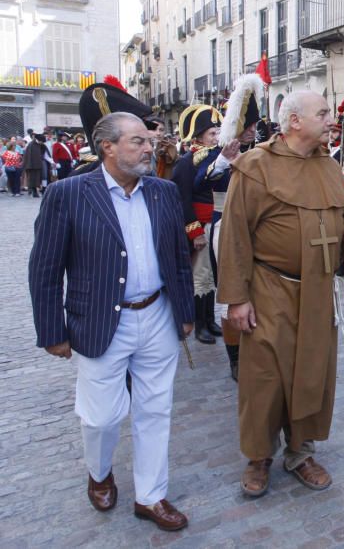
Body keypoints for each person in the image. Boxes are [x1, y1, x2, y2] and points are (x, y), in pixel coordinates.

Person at [29, 111, 195, 531]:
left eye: (148, 141)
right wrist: (52, 331)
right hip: (101, 321)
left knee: (155, 410)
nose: (149, 148)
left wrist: (185, 312)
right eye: (137, 141)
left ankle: (150, 496)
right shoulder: (67, 194)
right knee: (101, 416)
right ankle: (99, 471)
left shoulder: (162, 191)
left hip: (157, 313)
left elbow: (177, 255)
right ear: (108, 146)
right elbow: (45, 269)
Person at [217, 90, 344, 497]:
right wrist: (237, 298)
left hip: (317, 289)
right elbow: (233, 238)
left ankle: (301, 452)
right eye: (323, 113)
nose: (331, 118)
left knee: (311, 371)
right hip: (268, 288)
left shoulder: (330, 167)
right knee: (265, 375)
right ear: (295, 121)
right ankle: (258, 456)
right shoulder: (254, 167)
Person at [197, 73, 267, 381]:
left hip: (259, 230)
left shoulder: (262, 154)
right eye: (248, 125)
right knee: (229, 296)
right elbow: (202, 180)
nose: (253, 130)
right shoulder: (214, 154)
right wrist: (226, 161)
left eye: (254, 125)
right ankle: (235, 358)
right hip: (224, 228)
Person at [171, 104, 223, 345]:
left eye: (216, 132)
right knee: (200, 276)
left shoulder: (216, 159)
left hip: (214, 224)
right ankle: (199, 323)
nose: (216, 136)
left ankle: (210, 319)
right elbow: (182, 199)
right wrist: (195, 232)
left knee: (211, 275)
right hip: (200, 227)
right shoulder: (186, 162)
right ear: (199, 135)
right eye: (212, 133)